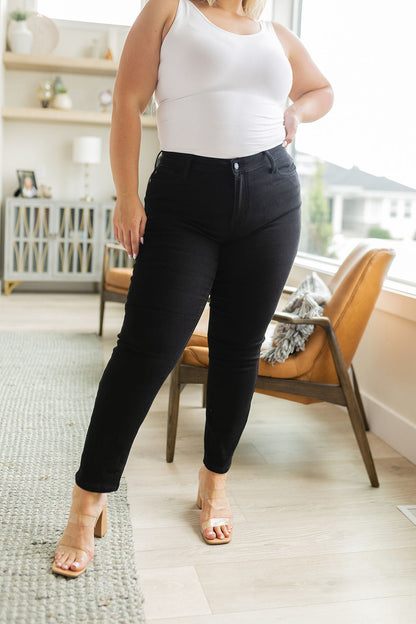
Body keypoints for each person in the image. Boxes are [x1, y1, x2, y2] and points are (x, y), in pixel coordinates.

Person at [52, 0, 333, 576]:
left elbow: (322, 90)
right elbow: (127, 102)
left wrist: (296, 110)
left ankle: (214, 482)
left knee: (238, 350)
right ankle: (88, 501)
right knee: (145, 351)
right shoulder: (170, 10)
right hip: (184, 196)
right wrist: (126, 196)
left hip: (272, 195)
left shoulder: (274, 33)